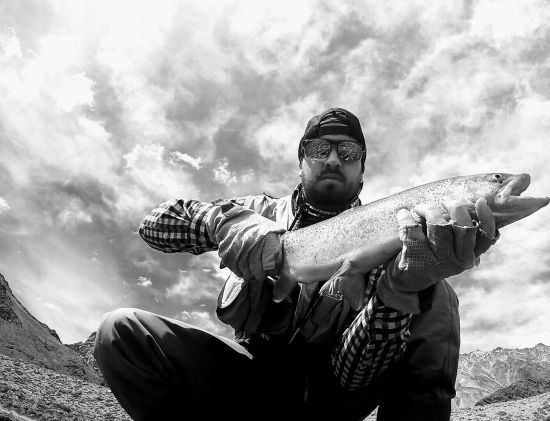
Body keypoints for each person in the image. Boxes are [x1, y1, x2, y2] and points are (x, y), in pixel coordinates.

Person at [94, 108, 507, 421]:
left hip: (335, 396)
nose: (332, 159)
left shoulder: (398, 242)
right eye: (318, 149)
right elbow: (154, 225)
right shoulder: (254, 211)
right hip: (250, 382)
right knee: (123, 331)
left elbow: (357, 371)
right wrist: (220, 223)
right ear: (301, 161)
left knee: (434, 297)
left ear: (362, 171)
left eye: (348, 152)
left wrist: (398, 292)